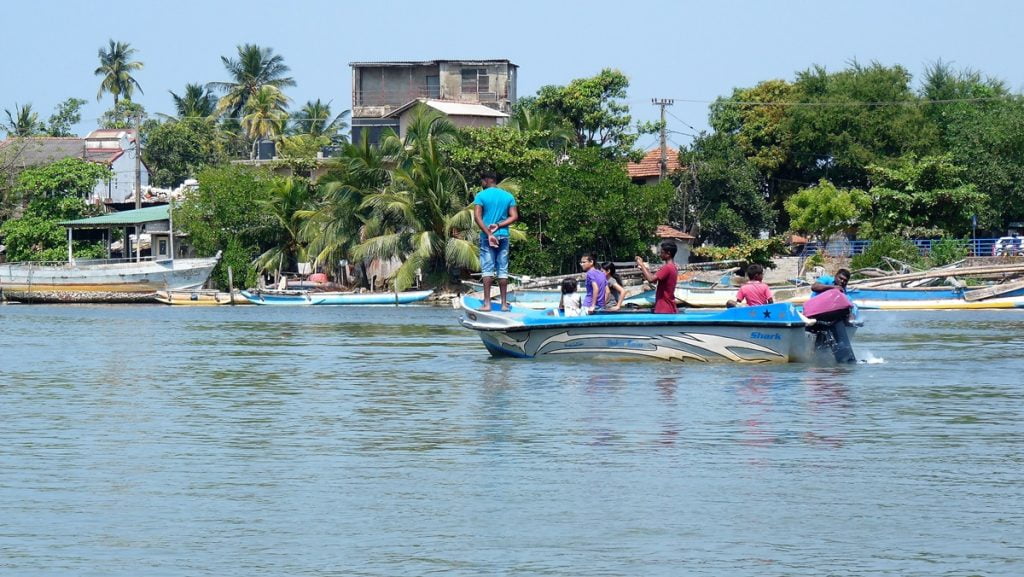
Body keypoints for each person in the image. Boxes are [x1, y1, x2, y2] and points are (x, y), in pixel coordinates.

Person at [472, 170, 518, 311]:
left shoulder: (481, 196)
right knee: (502, 270)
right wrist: (499, 225)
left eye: (482, 181)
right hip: (503, 235)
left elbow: (477, 217)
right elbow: (514, 216)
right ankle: (504, 304)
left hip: (487, 238)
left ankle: (487, 304)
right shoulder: (508, 196)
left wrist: (489, 233)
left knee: (487, 270)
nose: (482, 183)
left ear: (486, 180)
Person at [806, 268, 856, 363]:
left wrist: (851, 317)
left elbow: (851, 309)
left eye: (845, 281)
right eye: (840, 278)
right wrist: (833, 288)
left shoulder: (844, 294)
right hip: (813, 314)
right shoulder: (826, 280)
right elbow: (814, 287)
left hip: (830, 320)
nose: (842, 282)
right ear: (835, 276)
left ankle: (844, 357)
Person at [636, 242, 678, 314]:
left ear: (668, 253)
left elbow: (651, 279)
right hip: (668, 307)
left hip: (664, 308)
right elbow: (654, 279)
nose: (660, 255)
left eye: (662, 252)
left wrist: (642, 265)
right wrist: (643, 269)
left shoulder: (667, 267)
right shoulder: (672, 267)